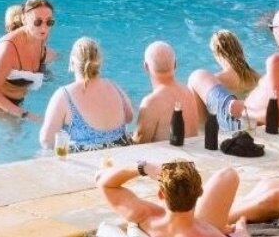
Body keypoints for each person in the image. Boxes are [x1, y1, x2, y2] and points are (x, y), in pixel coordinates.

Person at [97, 160, 239, 237]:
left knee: (106, 229)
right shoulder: (209, 234)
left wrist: (143, 168)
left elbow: (106, 184)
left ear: (160, 194)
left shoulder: (144, 215)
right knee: (228, 175)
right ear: (200, 193)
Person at [39, 36, 133, 151]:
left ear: (72, 62)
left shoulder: (64, 95)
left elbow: (46, 140)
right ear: (99, 62)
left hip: (89, 162)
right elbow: (129, 117)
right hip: (120, 156)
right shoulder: (113, 86)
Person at [0, 0, 55, 118]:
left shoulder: (41, 36)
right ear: (24, 19)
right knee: (17, 130)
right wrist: (26, 115)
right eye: (37, 22)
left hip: (14, 103)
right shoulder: (8, 47)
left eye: (49, 22)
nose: (44, 27)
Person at [186, 29, 262, 135]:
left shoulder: (217, 79)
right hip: (253, 121)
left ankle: (202, 134)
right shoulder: (256, 76)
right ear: (239, 49)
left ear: (217, 52)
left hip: (231, 125)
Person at [135, 42, 200, 144]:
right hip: (194, 155)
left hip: (172, 159)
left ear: (146, 67)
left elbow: (138, 144)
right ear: (175, 64)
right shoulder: (188, 92)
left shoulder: (151, 102)